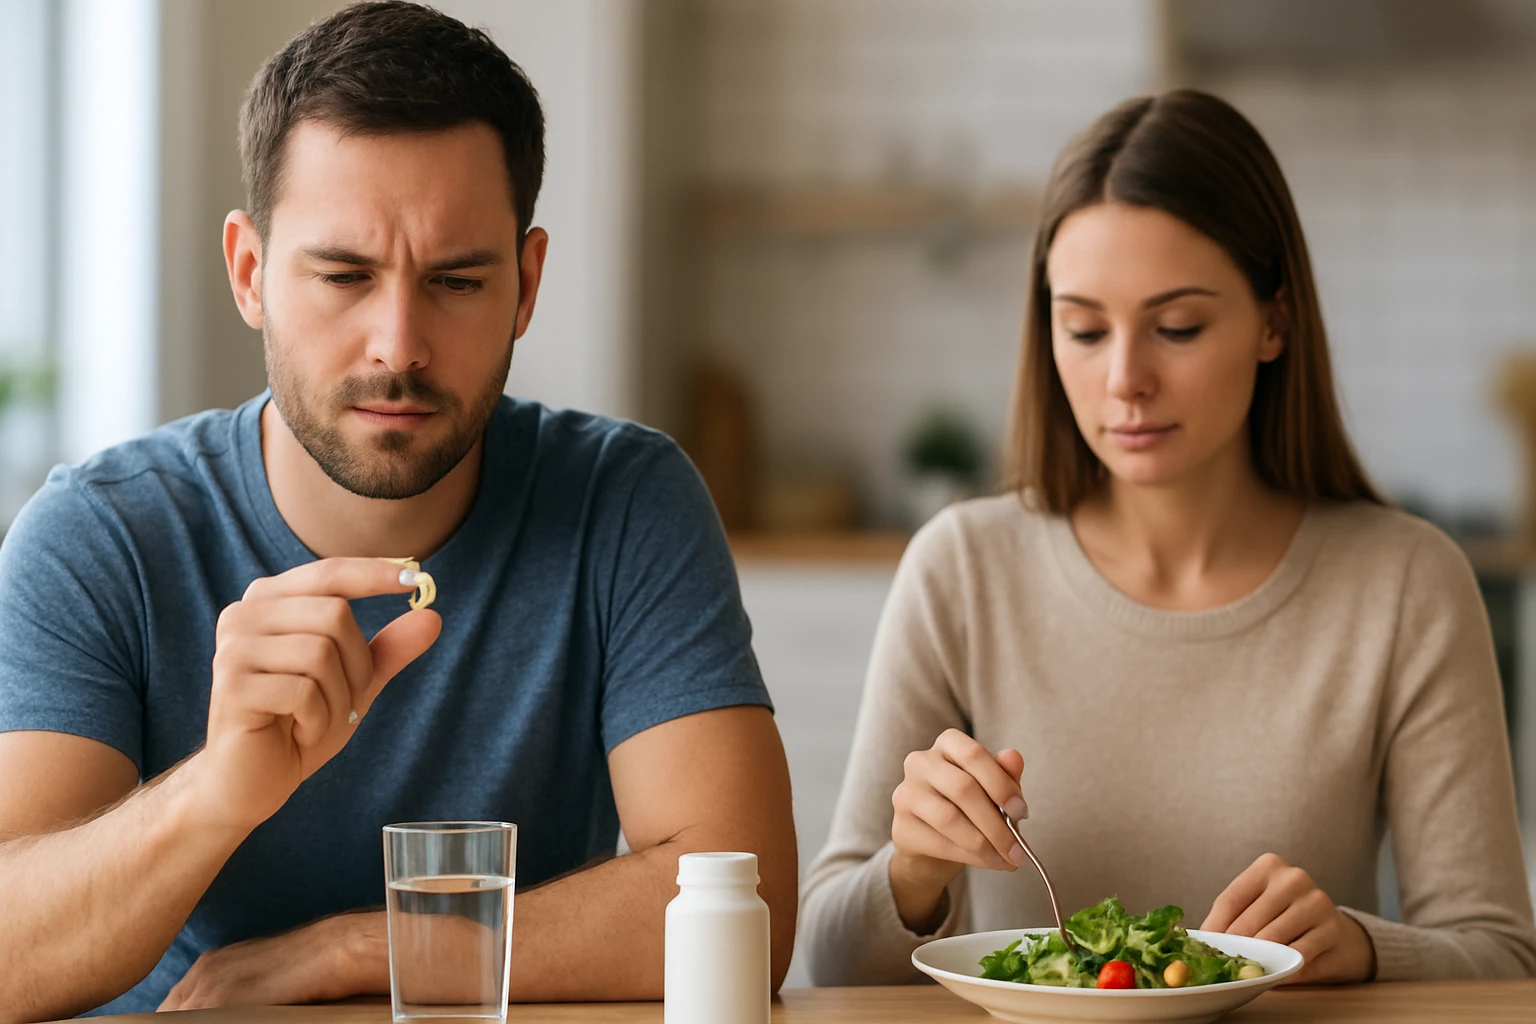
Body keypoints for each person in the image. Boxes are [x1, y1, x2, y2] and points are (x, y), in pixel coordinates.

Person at [0, 3, 796, 1018]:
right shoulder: (99, 535)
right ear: (250, 272)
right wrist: (215, 793)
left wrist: (347, 951)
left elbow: (747, 901)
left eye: (457, 280)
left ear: (525, 282)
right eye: (343, 274)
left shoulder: (623, 502)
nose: (397, 343)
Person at [800, 89, 1536, 987]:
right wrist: (913, 872)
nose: (1125, 381)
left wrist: (1368, 948)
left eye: (1177, 327)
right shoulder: (961, 568)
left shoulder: (1409, 583)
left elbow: (1502, 961)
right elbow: (829, 960)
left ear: (1275, 322)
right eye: (1082, 327)